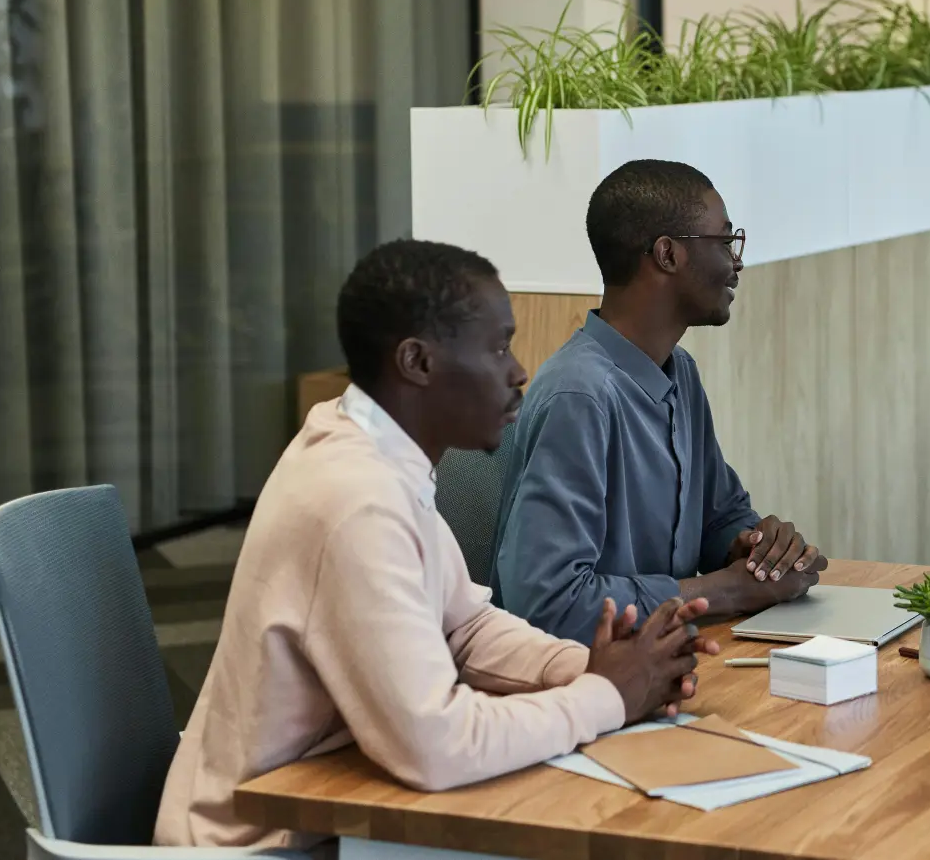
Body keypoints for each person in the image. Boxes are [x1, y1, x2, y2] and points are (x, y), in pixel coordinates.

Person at [156, 240, 712, 851]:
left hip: (336, 808)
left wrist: (594, 666)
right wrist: (606, 696)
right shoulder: (355, 500)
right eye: (497, 347)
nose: (518, 371)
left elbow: (465, 627)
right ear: (417, 362)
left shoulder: (374, 454)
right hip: (266, 840)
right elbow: (437, 745)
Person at [492, 159, 826, 638]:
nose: (737, 262)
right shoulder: (580, 396)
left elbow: (720, 514)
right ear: (668, 254)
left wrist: (754, 550)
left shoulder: (680, 372)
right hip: (579, 683)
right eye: (725, 242)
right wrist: (727, 591)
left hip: (668, 661)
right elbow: (547, 602)